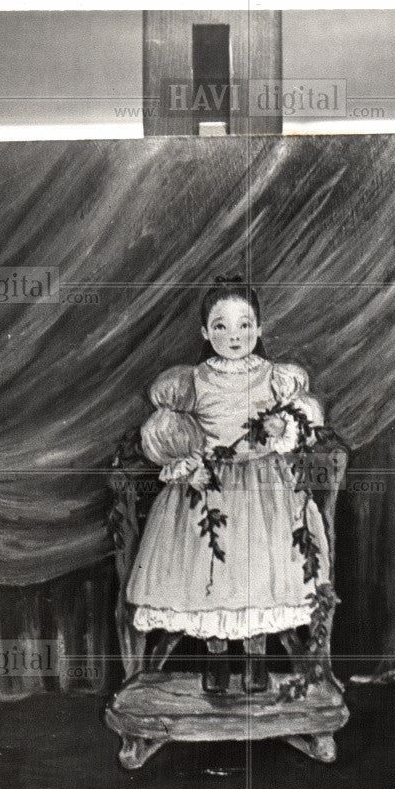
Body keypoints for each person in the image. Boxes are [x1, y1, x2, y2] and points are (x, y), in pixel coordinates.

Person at [126, 276, 331, 695]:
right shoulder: (193, 381)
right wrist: (187, 468)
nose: (234, 335)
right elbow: (167, 434)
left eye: (244, 325)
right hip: (210, 487)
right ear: (205, 332)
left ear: (258, 329)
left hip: (265, 489)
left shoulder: (276, 378)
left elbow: (304, 424)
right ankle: (217, 661)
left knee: (259, 572)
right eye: (220, 326)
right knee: (212, 574)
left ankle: (256, 659)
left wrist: (282, 426)